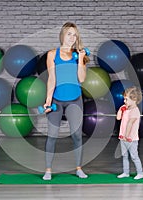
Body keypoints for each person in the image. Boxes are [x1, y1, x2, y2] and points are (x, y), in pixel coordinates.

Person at [42, 22, 90, 180]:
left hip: (75, 99)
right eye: (69, 33)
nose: (72, 37)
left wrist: (82, 59)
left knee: (76, 135)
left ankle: (78, 168)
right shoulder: (51, 54)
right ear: (62, 35)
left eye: (75, 34)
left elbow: (81, 79)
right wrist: (48, 100)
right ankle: (48, 170)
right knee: (52, 135)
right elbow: (51, 79)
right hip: (57, 98)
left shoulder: (79, 55)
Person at [116, 86, 143, 180]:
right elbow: (118, 118)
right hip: (122, 137)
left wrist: (126, 136)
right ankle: (126, 172)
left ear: (134, 99)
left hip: (130, 138)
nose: (124, 101)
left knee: (134, 156)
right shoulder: (126, 109)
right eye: (124, 99)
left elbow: (130, 124)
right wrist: (120, 110)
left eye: (126, 99)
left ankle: (140, 173)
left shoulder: (135, 111)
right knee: (124, 155)